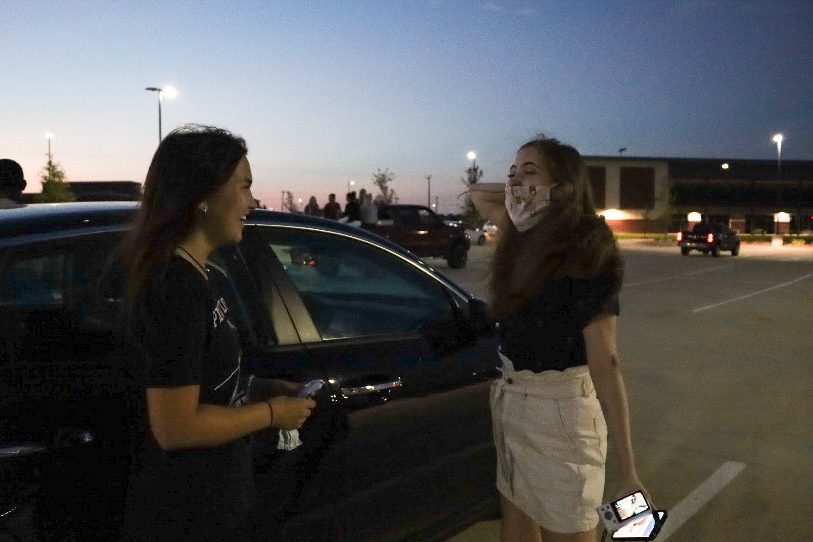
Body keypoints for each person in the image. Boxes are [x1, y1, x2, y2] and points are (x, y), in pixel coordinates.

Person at [120, 125, 315, 541]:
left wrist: (257, 387)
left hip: (211, 502)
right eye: (244, 186)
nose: (252, 201)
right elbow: (176, 427)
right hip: (187, 513)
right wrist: (273, 414)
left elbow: (194, 378)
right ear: (203, 196)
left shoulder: (198, 273)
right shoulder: (175, 286)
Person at [469, 135, 652, 542]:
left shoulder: (587, 248)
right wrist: (519, 193)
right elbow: (479, 196)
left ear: (564, 185)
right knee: (516, 524)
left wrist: (628, 471)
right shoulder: (523, 242)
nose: (515, 184)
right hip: (513, 401)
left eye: (530, 173)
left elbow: (606, 364)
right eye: (511, 174)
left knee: (568, 532)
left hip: (562, 414)